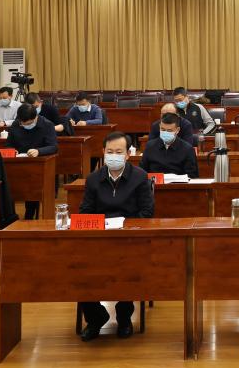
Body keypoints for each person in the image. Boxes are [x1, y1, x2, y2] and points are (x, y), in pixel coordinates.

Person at [78, 132, 154, 341]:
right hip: (99, 239)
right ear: (103, 152)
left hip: (129, 239)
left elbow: (147, 213)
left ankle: (124, 317)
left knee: (129, 266)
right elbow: (85, 211)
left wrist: (125, 226)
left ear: (128, 154)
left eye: (118, 152)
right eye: (109, 152)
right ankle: (95, 318)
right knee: (78, 266)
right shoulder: (93, 179)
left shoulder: (139, 177)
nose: (113, 156)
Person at [7, 104, 59, 219]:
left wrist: (39, 151)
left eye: (29, 123)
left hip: (37, 164)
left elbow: (54, 147)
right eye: (23, 124)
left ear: (35, 117)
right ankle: (10, 216)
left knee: (32, 186)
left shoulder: (47, 125)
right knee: (9, 184)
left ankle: (29, 214)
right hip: (18, 163)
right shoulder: (16, 124)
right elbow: (9, 144)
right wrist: (12, 151)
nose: (25, 126)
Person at [140, 113, 199, 178]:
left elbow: (192, 176)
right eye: (163, 129)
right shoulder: (150, 146)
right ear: (159, 127)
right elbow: (142, 171)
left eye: (169, 130)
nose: (165, 133)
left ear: (177, 130)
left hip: (179, 183)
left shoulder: (187, 149)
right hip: (155, 183)